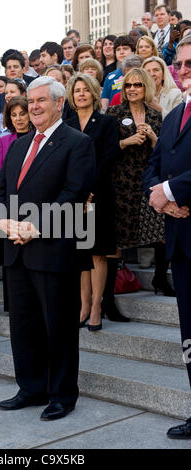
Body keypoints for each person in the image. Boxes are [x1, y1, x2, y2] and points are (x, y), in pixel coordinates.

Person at [0, 76, 95, 420]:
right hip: (15, 249)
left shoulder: (77, 143)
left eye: (40, 101)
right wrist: (3, 222)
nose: (32, 107)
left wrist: (34, 228)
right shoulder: (18, 145)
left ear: (59, 103)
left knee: (59, 327)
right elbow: (0, 189)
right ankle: (31, 387)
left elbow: (74, 193)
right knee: (23, 324)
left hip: (53, 250)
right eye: (29, 101)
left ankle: (62, 395)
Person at [143, 35, 191, 439]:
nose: (184, 69)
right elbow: (152, 167)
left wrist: (172, 191)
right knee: (189, 334)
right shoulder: (174, 116)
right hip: (180, 238)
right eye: (181, 63)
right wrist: (162, 198)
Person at [106, 68, 166, 318]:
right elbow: (105, 149)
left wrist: (153, 138)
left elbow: (164, 152)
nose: (132, 89)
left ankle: (161, 280)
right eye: (128, 85)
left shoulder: (155, 114)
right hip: (121, 182)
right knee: (117, 240)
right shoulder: (114, 113)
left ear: (146, 88)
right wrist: (125, 142)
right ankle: (107, 301)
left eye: (138, 85)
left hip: (147, 180)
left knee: (160, 231)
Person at [66, 73, 118, 330]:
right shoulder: (67, 123)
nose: (82, 94)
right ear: (72, 96)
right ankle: (83, 305)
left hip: (99, 194)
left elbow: (108, 159)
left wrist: (89, 191)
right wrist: (76, 192)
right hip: (73, 197)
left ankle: (97, 305)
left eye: (86, 90)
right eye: (77, 90)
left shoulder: (107, 122)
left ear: (95, 93)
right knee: (79, 252)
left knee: (97, 252)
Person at [0, 96, 31, 185]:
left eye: (22, 114)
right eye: (14, 115)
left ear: (29, 114)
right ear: (9, 117)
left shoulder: (37, 138)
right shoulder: (3, 141)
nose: (18, 118)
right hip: (11, 192)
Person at [0, 79, 26, 157]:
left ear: (23, 94)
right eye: (6, 93)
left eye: (12, 92)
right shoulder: (1, 117)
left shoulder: (31, 115)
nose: (8, 95)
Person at [101, 35, 136, 111]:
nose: (121, 52)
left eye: (125, 48)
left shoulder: (142, 72)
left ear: (133, 51)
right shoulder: (110, 76)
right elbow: (104, 103)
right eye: (118, 49)